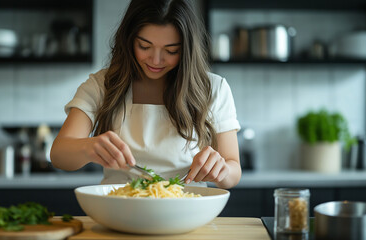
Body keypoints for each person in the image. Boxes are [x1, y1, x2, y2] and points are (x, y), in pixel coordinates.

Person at [50, 0, 241, 189]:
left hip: (189, 213)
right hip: (120, 213)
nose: (156, 60)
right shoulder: (103, 85)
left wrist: (221, 169)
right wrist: (89, 148)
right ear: (129, 39)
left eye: (171, 50)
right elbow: (59, 155)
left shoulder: (214, 88)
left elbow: (234, 171)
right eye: (144, 46)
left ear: (186, 49)